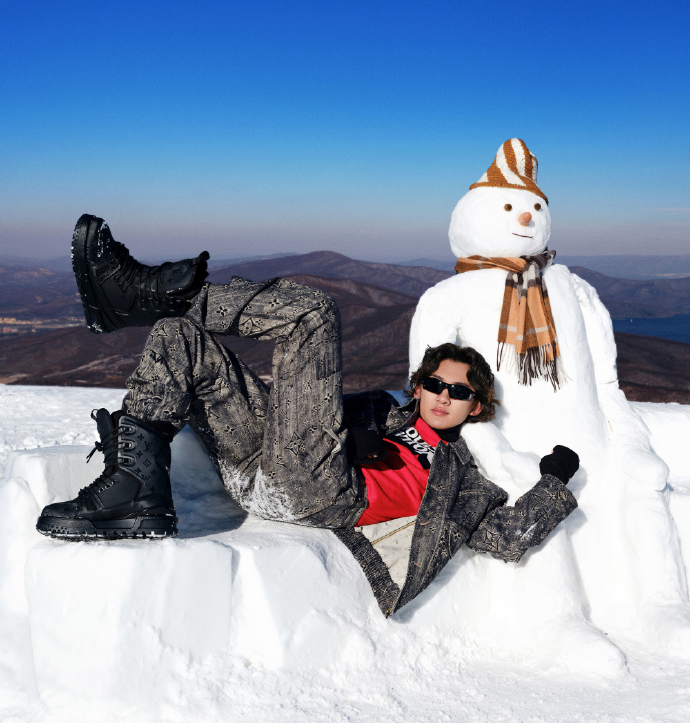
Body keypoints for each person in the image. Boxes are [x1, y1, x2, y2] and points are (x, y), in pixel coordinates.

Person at [36, 214, 580, 616]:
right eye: (434, 383)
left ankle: (146, 294)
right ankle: (135, 487)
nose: (443, 396)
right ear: (417, 386)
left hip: (322, 491)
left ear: (476, 407)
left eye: (457, 392)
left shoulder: (461, 477)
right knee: (180, 339)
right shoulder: (381, 412)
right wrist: (355, 431)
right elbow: (303, 406)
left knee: (313, 316)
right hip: (258, 462)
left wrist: (553, 481)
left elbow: (510, 536)